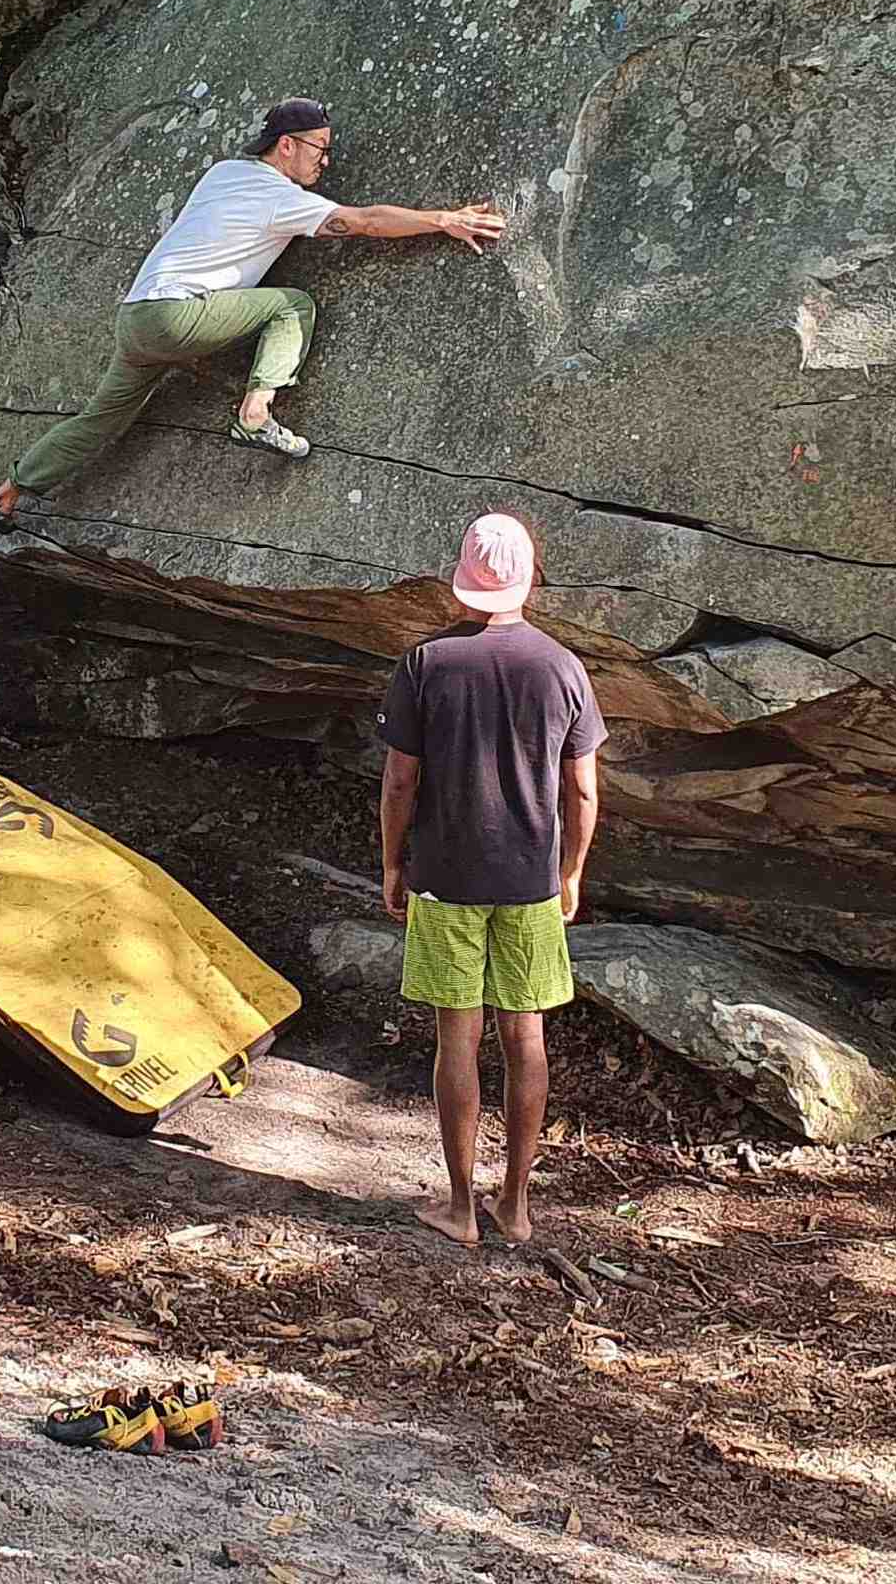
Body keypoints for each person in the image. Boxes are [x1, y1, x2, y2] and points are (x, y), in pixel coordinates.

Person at [0, 98, 508, 528]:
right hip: (176, 315)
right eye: (319, 150)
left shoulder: (224, 174)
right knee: (292, 306)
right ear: (287, 145)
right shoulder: (276, 195)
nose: (325, 163)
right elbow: (365, 222)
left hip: (138, 318)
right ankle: (256, 412)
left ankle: (12, 488)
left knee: (101, 418)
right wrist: (443, 219)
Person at [375, 512, 604, 1248]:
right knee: (525, 1035)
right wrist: (570, 870)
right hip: (530, 879)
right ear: (529, 579)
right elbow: (584, 791)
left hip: (445, 878)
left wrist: (391, 860)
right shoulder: (563, 667)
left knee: (458, 1039)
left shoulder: (426, 664)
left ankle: (458, 1208)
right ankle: (517, 1206)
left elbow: (400, 781)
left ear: (464, 579)